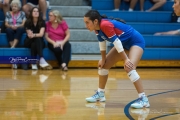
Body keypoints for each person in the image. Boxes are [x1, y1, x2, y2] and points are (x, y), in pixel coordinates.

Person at [83, 10, 150, 109]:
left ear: (95, 21)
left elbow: (117, 43)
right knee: (104, 66)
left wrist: (126, 59)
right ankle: (100, 94)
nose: (86, 25)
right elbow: (102, 44)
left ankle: (143, 99)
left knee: (129, 67)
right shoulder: (97, 29)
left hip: (135, 41)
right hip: (123, 44)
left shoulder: (105, 24)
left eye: (87, 22)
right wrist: (103, 59)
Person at [5, 0, 26, 69]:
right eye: (13, 6)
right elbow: (6, 24)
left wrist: (17, 26)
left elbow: (23, 24)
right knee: (8, 30)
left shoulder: (22, 13)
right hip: (11, 27)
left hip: (19, 27)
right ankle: (13, 46)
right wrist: (11, 26)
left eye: (15, 6)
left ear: (19, 7)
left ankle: (13, 46)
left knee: (20, 29)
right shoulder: (8, 13)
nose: (13, 8)